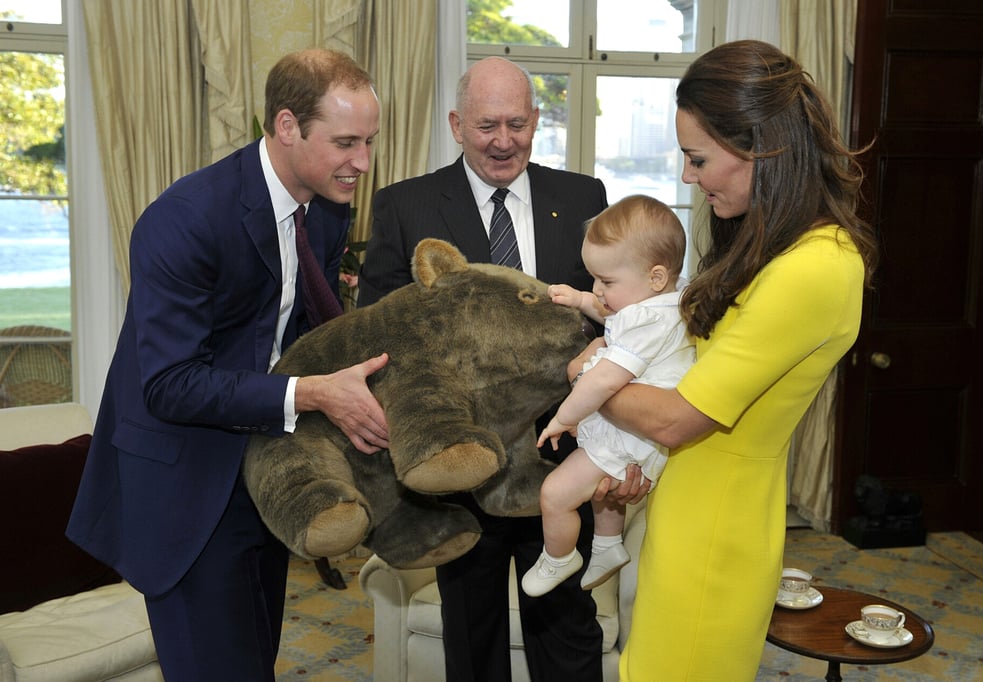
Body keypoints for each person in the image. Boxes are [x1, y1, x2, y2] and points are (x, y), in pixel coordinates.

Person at [66, 49, 390, 682]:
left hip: (258, 477)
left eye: (371, 142)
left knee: (255, 663)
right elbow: (169, 384)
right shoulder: (185, 220)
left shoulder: (325, 207)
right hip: (184, 489)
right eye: (346, 142)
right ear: (288, 126)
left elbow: (294, 331)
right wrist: (312, 395)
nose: (362, 163)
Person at [578, 40, 879, 681]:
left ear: (762, 146)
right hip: (685, 505)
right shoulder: (771, 247)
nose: (687, 176)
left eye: (698, 158)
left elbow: (676, 419)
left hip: (715, 530)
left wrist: (585, 374)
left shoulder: (817, 265)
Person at [358, 56, 611, 682]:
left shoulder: (583, 197)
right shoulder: (403, 206)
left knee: (565, 623)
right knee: (471, 633)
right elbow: (380, 335)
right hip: (460, 463)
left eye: (518, 124)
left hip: (560, 453)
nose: (504, 141)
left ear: (536, 122)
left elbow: (614, 320)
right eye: (487, 125)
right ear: (456, 124)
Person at [521, 195, 695, 598]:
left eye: (607, 282)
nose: (597, 289)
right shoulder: (666, 302)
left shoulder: (646, 320)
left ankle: (559, 557)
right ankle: (607, 545)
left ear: (654, 276)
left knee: (555, 494)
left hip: (631, 433)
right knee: (603, 493)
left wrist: (564, 417)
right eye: (594, 280)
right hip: (640, 434)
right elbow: (619, 318)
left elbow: (601, 383)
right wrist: (584, 301)